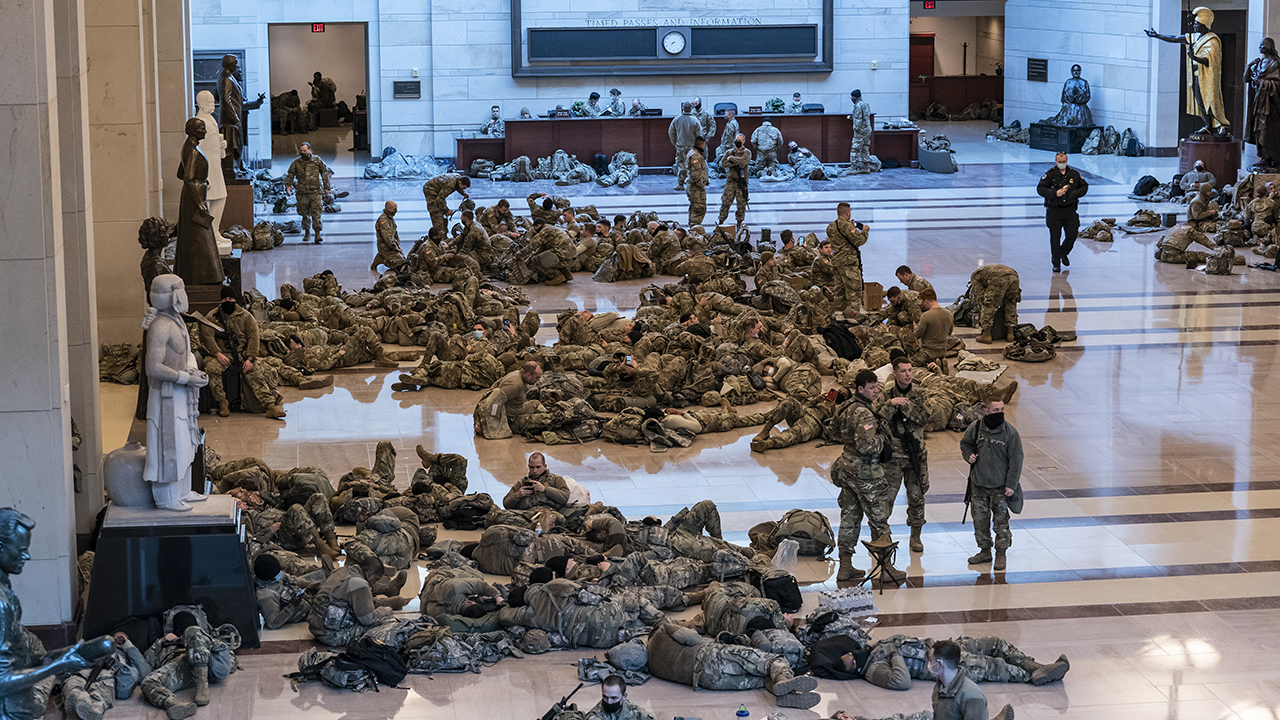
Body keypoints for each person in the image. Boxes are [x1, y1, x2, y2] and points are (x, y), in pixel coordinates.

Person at [825, 640, 1014, 720]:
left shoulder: (971, 696)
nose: (928, 663)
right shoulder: (941, 685)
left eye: (930, 660)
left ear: (940, 664)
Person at [829, 369, 897, 581]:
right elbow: (867, 445)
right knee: (879, 517)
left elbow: (832, 431)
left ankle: (845, 567)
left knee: (850, 516)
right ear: (860, 389)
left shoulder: (846, 407)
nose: (875, 391)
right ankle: (886, 568)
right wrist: (883, 441)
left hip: (847, 467)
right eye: (871, 388)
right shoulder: (865, 414)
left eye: (876, 386)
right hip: (866, 472)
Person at [200, 286, 284, 419]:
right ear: (221, 301)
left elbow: (253, 337)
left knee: (256, 371)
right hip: (222, 355)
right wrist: (217, 353)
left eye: (231, 298)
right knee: (211, 369)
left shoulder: (246, 316)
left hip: (242, 354)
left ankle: (270, 406)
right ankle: (222, 402)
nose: (228, 301)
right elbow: (207, 337)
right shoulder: (212, 317)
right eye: (226, 299)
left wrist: (250, 358)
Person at [960, 397, 1023, 572]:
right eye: (996, 410)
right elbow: (965, 444)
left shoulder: (1010, 433)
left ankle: (1001, 553)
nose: (1000, 413)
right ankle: (985, 551)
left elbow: (1016, 460)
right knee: (980, 520)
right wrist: (969, 455)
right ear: (986, 411)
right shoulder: (977, 428)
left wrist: (1011, 484)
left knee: (1001, 522)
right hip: (978, 485)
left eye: (1002, 410)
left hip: (1000, 487)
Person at [1146, 7, 1230, 136]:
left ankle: (1223, 124)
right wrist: (1157, 36)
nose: (1194, 26)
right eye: (1195, 23)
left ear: (1204, 25)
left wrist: (1194, 57)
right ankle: (1208, 125)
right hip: (1196, 75)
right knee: (1200, 102)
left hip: (1207, 77)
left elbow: (1209, 62)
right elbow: (1174, 38)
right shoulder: (1194, 37)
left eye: (1197, 24)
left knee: (1211, 101)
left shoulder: (1212, 41)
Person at [140, 610, 236, 720]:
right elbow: (147, 662)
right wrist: (161, 642)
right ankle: (175, 704)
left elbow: (230, 660)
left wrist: (204, 640)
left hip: (211, 664)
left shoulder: (204, 637)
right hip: (183, 667)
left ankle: (202, 686)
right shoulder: (167, 645)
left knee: (193, 631)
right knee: (147, 682)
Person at [876, 356, 930, 553]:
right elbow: (877, 417)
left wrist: (906, 406)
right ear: (895, 373)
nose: (908, 374)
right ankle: (882, 535)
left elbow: (924, 418)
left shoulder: (920, 393)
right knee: (886, 497)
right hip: (893, 456)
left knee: (916, 497)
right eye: (903, 371)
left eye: (910, 370)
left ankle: (916, 536)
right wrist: (891, 404)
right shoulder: (886, 394)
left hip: (915, 453)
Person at [307, 555, 398, 646]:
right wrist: (383, 611)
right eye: (376, 579)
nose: (375, 582)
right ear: (370, 574)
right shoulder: (359, 583)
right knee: (387, 624)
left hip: (315, 628)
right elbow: (367, 619)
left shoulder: (341, 571)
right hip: (330, 635)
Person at [1036, 152, 1088, 272]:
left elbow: (1084, 186)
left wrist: (1075, 193)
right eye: (1060, 162)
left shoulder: (1073, 174)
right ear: (1055, 161)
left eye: (1064, 161)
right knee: (1055, 237)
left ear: (1067, 160)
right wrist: (1055, 194)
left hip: (1070, 210)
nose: (1062, 164)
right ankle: (1056, 263)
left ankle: (1063, 252)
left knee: (1072, 234)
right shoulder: (1049, 175)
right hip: (1054, 210)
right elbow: (1040, 189)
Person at [217, 54, 264, 176]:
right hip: (231, 120)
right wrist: (234, 117)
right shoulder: (227, 78)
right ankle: (231, 171)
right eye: (235, 63)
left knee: (234, 145)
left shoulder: (223, 77)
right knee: (232, 146)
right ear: (230, 64)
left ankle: (236, 168)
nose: (237, 66)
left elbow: (218, 97)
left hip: (231, 118)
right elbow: (225, 99)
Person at [827, 202, 870, 315]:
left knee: (839, 292)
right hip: (848, 264)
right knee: (854, 292)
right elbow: (859, 240)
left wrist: (849, 226)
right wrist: (865, 231)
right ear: (847, 212)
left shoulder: (831, 226)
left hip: (837, 263)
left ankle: (838, 317)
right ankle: (853, 318)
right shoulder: (847, 226)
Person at [284, 142, 332, 243]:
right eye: (301, 151)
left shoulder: (317, 160)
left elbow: (324, 172)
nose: (303, 153)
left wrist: (327, 187)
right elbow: (290, 174)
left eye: (305, 151)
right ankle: (307, 232)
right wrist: (288, 186)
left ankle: (317, 234)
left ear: (310, 150)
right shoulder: (296, 163)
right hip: (302, 193)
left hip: (315, 192)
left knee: (316, 213)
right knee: (304, 214)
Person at [1245, 37, 1280, 168]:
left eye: (1263, 44)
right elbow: (1246, 78)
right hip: (1259, 104)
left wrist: (1262, 83)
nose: (1261, 46)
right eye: (1260, 44)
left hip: (1271, 107)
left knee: (1268, 132)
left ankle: (1273, 158)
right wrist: (1249, 66)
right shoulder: (1258, 63)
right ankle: (1264, 157)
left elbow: (1277, 83)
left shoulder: (1275, 63)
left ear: (1270, 46)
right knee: (1259, 131)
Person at [503, 453, 572, 512]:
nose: (535, 471)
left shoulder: (556, 479)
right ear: (529, 467)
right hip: (526, 514)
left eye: (538, 467)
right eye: (532, 467)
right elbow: (506, 504)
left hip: (548, 513)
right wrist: (517, 495)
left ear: (545, 466)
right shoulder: (522, 483)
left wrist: (545, 489)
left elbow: (564, 498)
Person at [969, 265, 1020, 344]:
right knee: (1010, 303)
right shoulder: (985, 271)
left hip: (998, 278)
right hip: (1013, 276)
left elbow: (981, 296)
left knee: (989, 305)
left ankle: (986, 335)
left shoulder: (974, 277)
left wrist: (990, 301)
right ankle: (1010, 333)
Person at [914, 289, 953, 373]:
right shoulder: (949, 314)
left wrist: (916, 328)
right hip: (943, 350)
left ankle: (931, 365)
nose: (923, 305)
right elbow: (949, 332)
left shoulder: (926, 316)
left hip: (928, 352)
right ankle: (941, 362)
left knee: (912, 365)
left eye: (923, 302)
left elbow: (918, 335)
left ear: (926, 301)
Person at [718, 133, 751, 227]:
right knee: (725, 203)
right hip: (730, 182)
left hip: (741, 183)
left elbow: (744, 161)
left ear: (744, 142)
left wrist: (732, 159)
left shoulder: (747, 152)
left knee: (741, 205)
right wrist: (734, 162)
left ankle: (739, 224)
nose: (738, 142)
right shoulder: (729, 152)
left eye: (740, 140)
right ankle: (720, 222)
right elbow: (723, 163)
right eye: (737, 139)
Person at [586, 675, 655, 720]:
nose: (608, 701)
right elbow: (590, 716)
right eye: (605, 697)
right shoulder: (598, 710)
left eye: (614, 698)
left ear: (624, 696)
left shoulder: (635, 712)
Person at [669, 102, 700, 190]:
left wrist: (674, 143)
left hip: (680, 146)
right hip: (692, 147)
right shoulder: (695, 120)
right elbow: (699, 135)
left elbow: (671, 132)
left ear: (683, 108)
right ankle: (693, 184)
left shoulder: (677, 119)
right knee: (693, 166)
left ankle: (681, 184)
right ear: (691, 108)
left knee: (681, 165)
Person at [686, 136, 709, 226]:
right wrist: (701, 185)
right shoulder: (695, 155)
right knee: (699, 208)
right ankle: (694, 229)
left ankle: (693, 228)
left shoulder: (695, 153)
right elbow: (696, 173)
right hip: (696, 187)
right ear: (701, 144)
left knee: (695, 207)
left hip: (694, 186)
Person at [849, 89, 873, 174]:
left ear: (855, 97)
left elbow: (859, 119)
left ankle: (853, 169)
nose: (851, 98)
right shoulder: (865, 104)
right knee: (865, 148)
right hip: (867, 130)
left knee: (855, 149)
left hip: (860, 131)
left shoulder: (858, 106)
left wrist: (856, 129)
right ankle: (866, 167)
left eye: (852, 96)